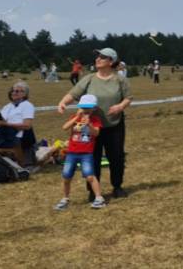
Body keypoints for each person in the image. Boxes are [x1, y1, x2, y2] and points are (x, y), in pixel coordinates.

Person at [57, 47, 133, 200]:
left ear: (111, 61)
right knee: (92, 158)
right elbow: (74, 93)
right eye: (97, 56)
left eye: (102, 57)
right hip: (90, 126)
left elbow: (128, 98)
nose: (98, 59)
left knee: (116, 157)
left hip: (114, 125)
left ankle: (117, 187)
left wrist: (120, 106)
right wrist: (62, 102)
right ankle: (93, 191)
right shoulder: (89, 78)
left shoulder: (120, 79)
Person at [55, 94, 106, 210]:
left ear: (94, 108)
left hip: (86, 153)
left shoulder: (95, 120)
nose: (86, 110)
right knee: (66, 176)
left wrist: (89, 124)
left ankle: (99, 198)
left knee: (89, 176)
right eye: (84, 107)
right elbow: (64, 127)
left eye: (89, 108)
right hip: (72, 153)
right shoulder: (75, 117)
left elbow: (96, 133)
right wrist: (75, 118)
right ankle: (65, 199)